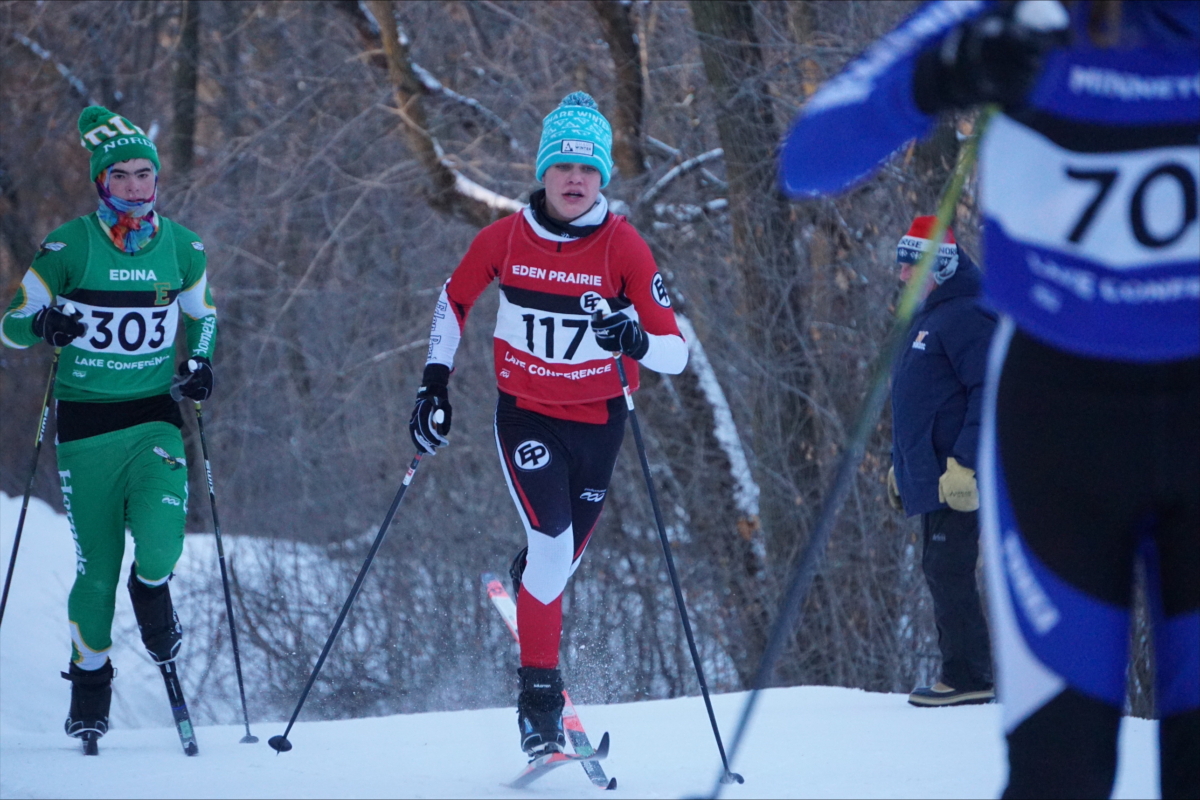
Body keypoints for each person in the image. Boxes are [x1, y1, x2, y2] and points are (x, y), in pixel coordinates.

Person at [778, 1, 1197, 797]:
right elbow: (809, 156)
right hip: (1062, 433)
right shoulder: (1017, 12)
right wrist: (947, 71)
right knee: (1058, 769)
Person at [407, 92, 688, 756]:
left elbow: (675, 351)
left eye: (587, 170)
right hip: (527, 417)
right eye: (562, 166)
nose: (573, 179)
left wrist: (635, 339)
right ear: (543, 171)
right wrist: (433, 383)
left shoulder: (624, 247)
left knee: (555, 566)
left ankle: (534, 570)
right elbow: (454, 299)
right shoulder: (505, 239)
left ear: (603, 180)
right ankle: (537, 705)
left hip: (600, 424)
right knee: (555, 553)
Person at [1, 106, 218, 747]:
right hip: (87, 426)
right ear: (101, 181)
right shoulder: (69, 246)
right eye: (119, 175)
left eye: (142, 173)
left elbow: (203, 316)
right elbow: (12, 323)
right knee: (96, 571)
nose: (132, 185)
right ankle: (90, 689)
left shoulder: (183, 246)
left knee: (161, 547)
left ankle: (152, 593)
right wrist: (43, 325)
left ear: (157, 179)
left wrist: (199, 360)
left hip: (154, 417)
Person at [887, 217, 996, 708]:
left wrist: (967, 465)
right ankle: (963, 674)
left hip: (961, 475)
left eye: (913, 266)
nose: (904, 275)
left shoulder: (967, 314)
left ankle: (970, 677)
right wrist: (901, 464)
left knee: (947, 567)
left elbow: (989, 390)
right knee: (938, 567)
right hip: (934, 473)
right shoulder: (929, 315)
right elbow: (917, 399)